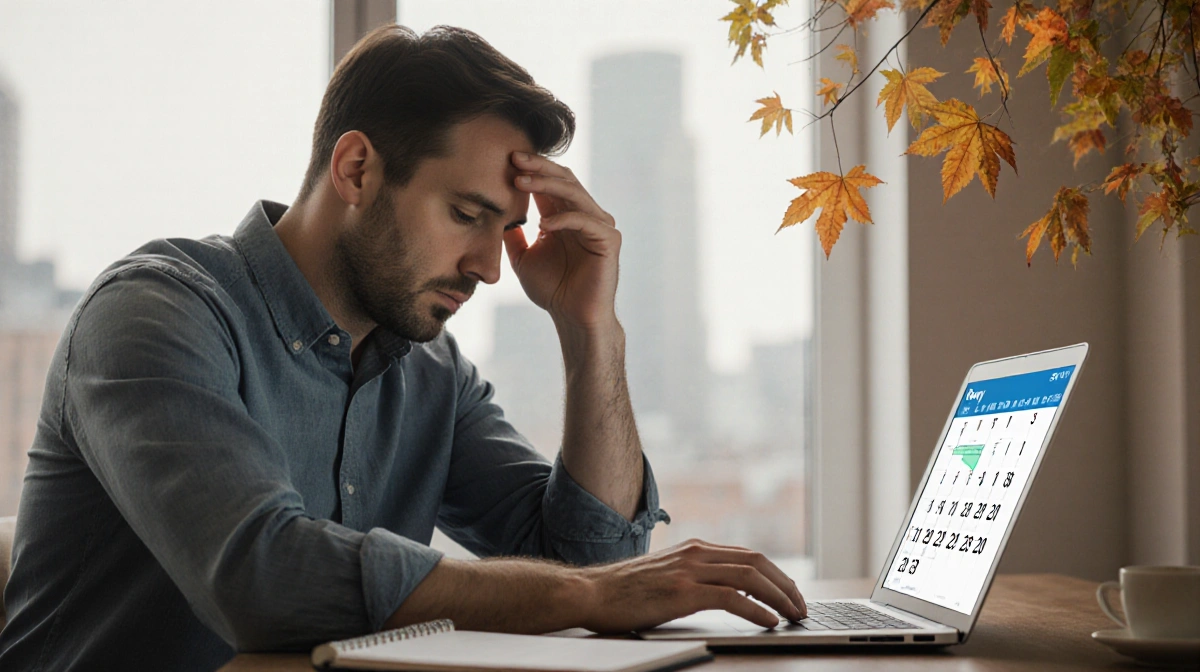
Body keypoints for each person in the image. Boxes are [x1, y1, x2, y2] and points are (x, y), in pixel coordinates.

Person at [0, 24, 806, 671]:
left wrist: (590, 329)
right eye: (465, 213)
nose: (491, 268)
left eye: (506, 229)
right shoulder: (154, 313)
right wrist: (587, 598)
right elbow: (259, 578)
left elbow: (588, 559)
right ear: (356, 168)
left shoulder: (430, 372)